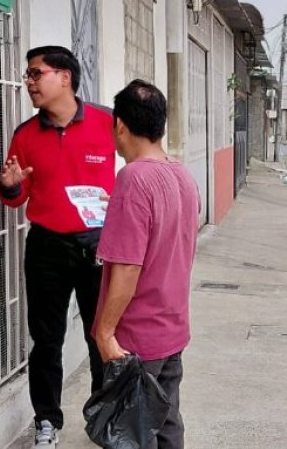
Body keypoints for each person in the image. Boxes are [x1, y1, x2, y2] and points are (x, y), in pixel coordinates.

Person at [0, 45, 116, 447]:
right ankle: (47, 421)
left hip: (99, 244)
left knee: (100, 334)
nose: (28, 82)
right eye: (27, 75)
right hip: (46, 248)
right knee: (46, 340)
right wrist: (11, 186)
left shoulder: (107, 122)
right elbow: (15, 197)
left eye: (36, 74)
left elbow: (141, 161)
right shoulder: (25, 135)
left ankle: (105, 417)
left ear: (64, 76)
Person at [93, 80, 200, 449]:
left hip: (137, 337)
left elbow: (127, 267)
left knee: (131, 437)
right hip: (172, 329)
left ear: (120, 125)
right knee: (168, 422)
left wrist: (105, 333)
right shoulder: (182, 176)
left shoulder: (133, 179)